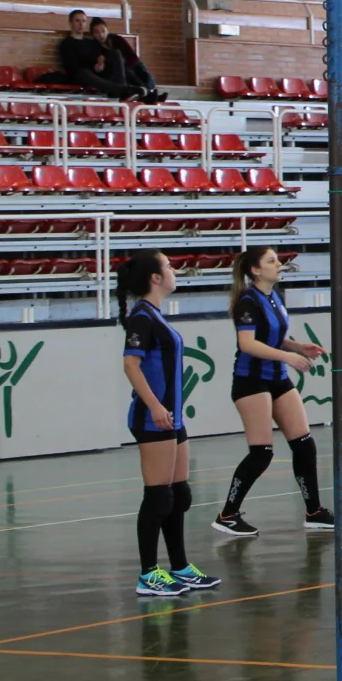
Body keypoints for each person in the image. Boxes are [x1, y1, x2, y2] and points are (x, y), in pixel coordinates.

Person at [119, 250, 220, 598]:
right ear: (155, 278)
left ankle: (179, 566)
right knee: (158, 496)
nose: (174, 270)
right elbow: (131, 365)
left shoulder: (155, 316)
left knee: (179, 494)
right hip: (153, 418)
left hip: (173, 417)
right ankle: (149, 574)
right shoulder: (142, 317)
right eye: (168, 266)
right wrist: (155, 406)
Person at [212, 246, 333, 536]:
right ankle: (227, 515)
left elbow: (272, 336)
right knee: (262, 453)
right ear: (256, 270)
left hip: (277, 378)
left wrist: (298, 346)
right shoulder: (247, 301)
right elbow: (248, 344)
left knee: (304, 444)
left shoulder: (273, 296)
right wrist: (289, 358)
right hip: (251, 381)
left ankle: (314, 511)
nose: (279, 264)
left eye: (277, 259)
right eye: (271, 261)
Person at [56, 8, 151, 102]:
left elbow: (100, 57)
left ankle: (123, 90)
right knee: (82, 73)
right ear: (70, 23)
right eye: (77, 21)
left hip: (97, 75)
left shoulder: (92, 43)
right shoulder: (66, 44)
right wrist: (93, 67)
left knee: (115, 53)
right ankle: (125, 90)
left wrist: (101, 62)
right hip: (82, 76)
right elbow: (72, 68)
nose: (81, 24)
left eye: (83, 21)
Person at [90, 16, 165, 102]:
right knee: (125, 69)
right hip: (111, 76)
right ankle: (147, 94)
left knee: (127, 71)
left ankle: (146, 94)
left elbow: (133, 57)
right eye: (97, 32)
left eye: (103, 31)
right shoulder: (94, 47)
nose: (101, 35)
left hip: (127, 70)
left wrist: (123, 66)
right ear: (93, 34)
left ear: (107, 30)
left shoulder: (116, 39)